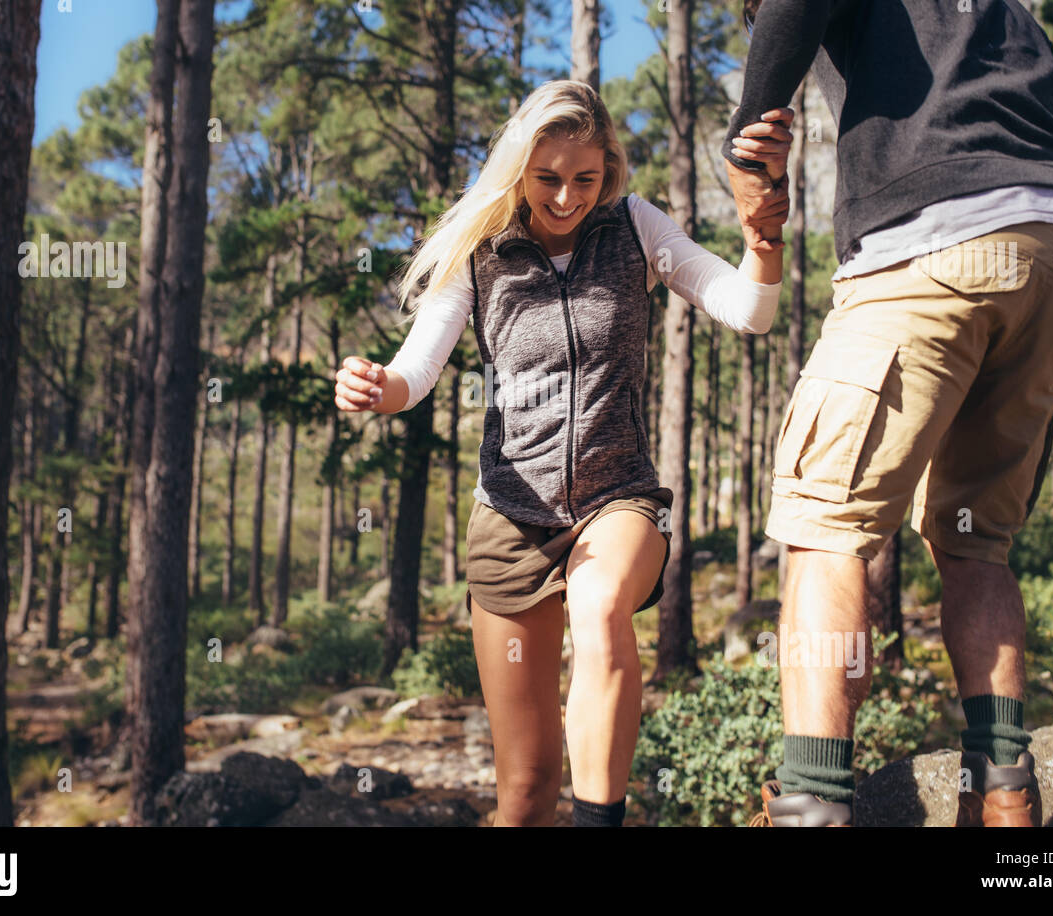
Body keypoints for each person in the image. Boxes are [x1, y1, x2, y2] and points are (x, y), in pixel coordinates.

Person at [722, 0, 1053, 827]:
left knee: (823, 523)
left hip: (931, 248)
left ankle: (816, 806)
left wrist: (746, 150)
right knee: (977, 541)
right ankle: (1008, 798)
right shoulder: (1000, 5)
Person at [334, 79, 792, 826]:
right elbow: (415, 372)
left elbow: (747, 310)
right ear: (520, 169)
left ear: (608, 168)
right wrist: (377, 386)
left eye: (585, 178)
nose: (566, 197)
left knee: (603, 603)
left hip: (619, 499)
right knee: (523, 790)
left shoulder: (634, 225)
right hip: (511, 517)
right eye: (547, 178)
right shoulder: (482, 251)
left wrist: (763, 245)